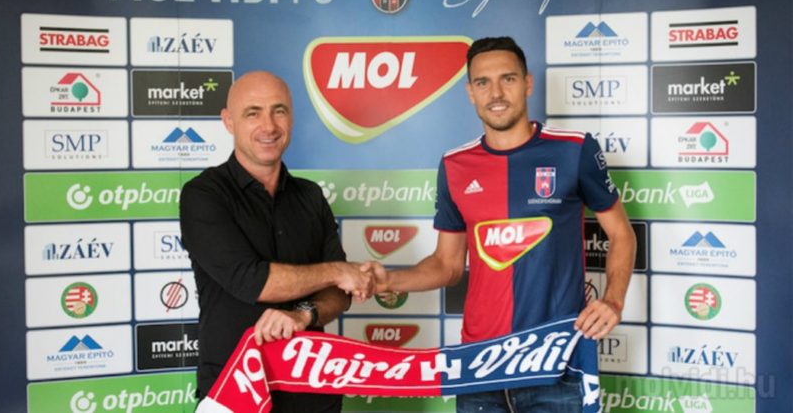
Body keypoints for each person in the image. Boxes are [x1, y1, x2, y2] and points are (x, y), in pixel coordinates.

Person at [370, 37, 636, 412]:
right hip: (481, 364)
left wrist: (614, 300)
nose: (495, 93)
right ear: (470, 92)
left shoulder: (574, 149)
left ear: (527, 83)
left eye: (507, 79)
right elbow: (447, 265)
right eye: (483, 82)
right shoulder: (454, 165)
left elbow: (621, 234)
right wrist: (389, 281)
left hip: (555, 361)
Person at [180, 71, 374, 413]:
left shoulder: (311, 196)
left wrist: (304, 315)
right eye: (252, 113)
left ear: (292, 118)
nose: (268, 126)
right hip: (234, 392)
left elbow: (339, 294)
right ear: (228, 121)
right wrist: (337, 271)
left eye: (279, 111)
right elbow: (252, 281)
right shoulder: (203, 194)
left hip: (313, 391)